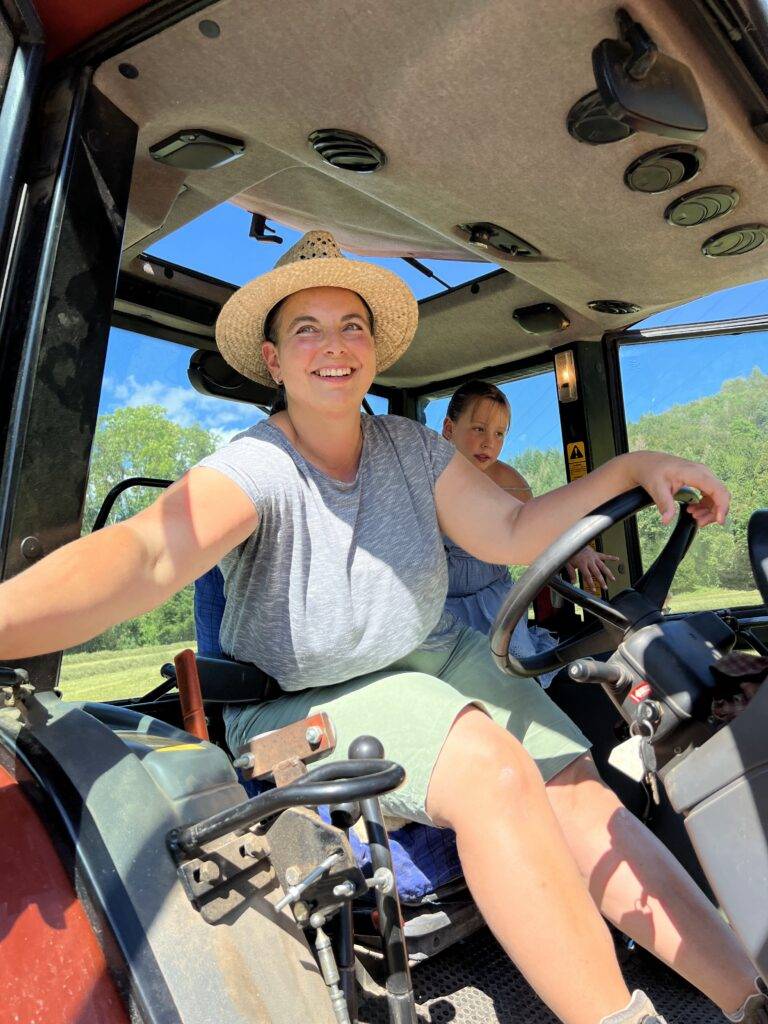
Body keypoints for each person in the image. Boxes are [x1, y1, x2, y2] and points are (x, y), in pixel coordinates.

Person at [0, 230, 764, 1024]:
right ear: (273, 359)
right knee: (495, 773)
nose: (334, 346)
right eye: (308, 329)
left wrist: (628, 469)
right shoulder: (257, 466)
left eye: (352, 326)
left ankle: (747, 997)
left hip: (432, 651)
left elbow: (508, 528)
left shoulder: (410, 448)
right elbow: (148, 553)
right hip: (298, 699)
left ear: (373, 349)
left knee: (577, 787)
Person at [441, 379, 619, 687]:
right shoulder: (426, 481)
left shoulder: (510, 483)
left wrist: (576, 548)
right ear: (448, 429)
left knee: (518, 676)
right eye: (479, 429)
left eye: (499, 434)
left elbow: (538, 528)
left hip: (494, 600)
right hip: (442, 604)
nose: (488, 443)